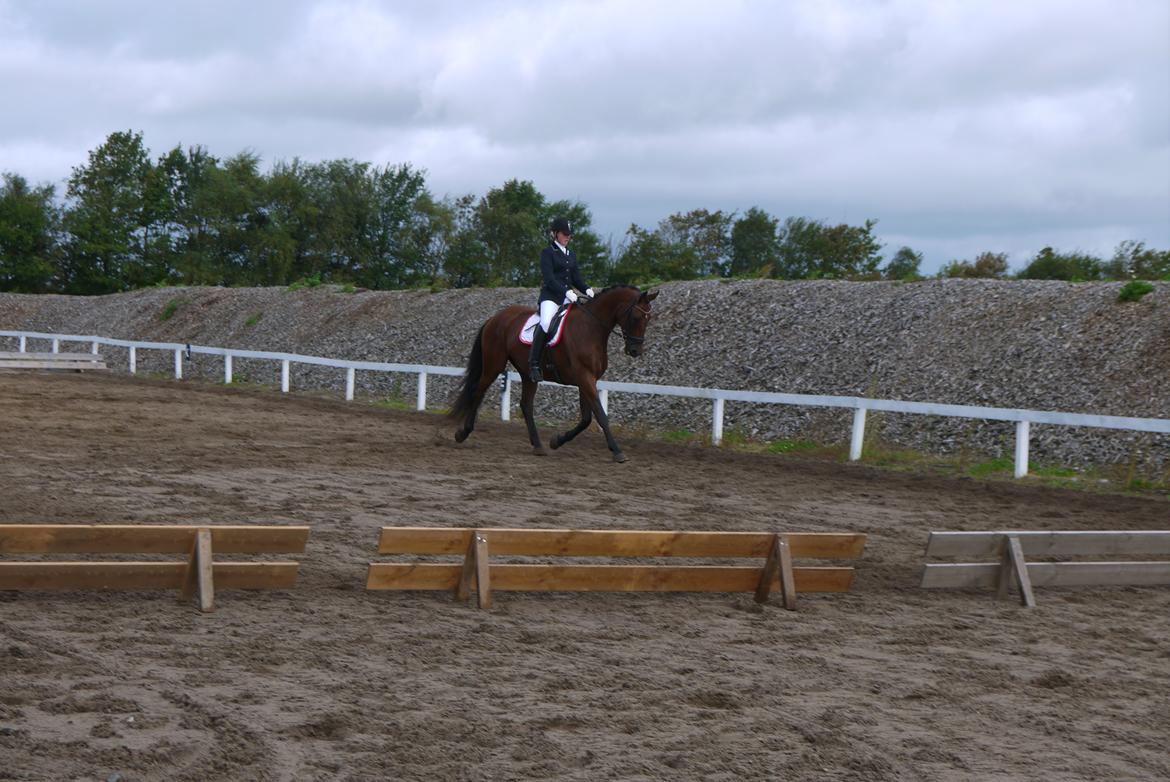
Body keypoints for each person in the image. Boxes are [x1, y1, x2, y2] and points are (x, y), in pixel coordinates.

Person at [529, 216, 594, 382]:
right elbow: (549, 279)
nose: (567, 237)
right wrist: (566, 292)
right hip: (551, 297)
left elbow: (576, 278)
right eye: (564, 234)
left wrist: (586, 289)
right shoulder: (548, 253)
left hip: (568, 297)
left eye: (569, 234)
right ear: (555, 234)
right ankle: (534, 363)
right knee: (545, 323)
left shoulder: (571, 254)